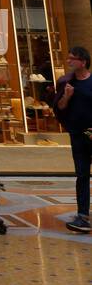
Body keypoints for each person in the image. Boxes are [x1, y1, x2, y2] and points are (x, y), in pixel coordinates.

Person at [55, 47, 92, 233]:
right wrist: (67, 97)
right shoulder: (66, 83)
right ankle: (83, 215)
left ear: (83, 62)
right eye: (68, 58)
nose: (69, 62)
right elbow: (60, 108)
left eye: (73, 59)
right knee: (82, 175)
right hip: (77, 135)